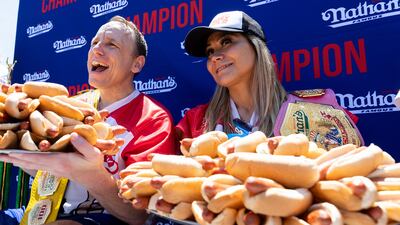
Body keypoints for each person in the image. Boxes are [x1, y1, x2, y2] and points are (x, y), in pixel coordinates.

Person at [0, 15, 177, 225]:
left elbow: (139, 215)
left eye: (111, 44)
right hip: (42, 212)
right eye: (94, 43)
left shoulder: (153, 118)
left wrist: (91, 174)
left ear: (136, 64)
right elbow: (46, 169)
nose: (97, 49)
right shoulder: (73, 104)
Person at [176, 10, 364, 149]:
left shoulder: (316, 112)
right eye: (210, 51)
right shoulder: (194, 122)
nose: (215, 56)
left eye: (227, 42)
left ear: (256, 48)